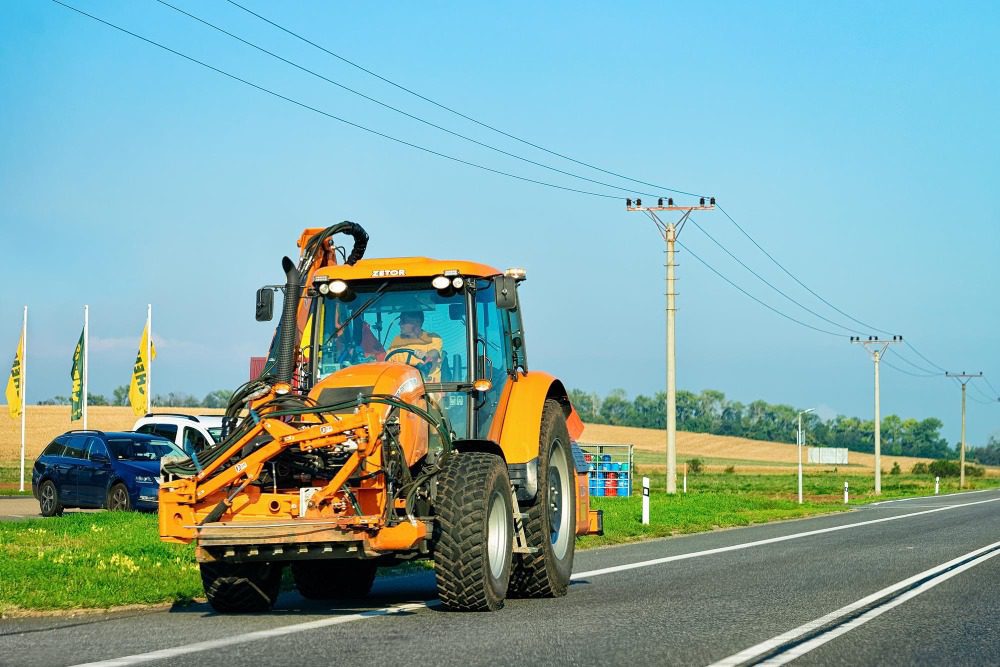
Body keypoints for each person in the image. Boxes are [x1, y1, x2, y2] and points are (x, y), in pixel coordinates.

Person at [386, 310, 443, 381]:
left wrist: (426, 355)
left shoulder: (433, 338)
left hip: (429, 388)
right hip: (402, 388)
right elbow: (387, 364)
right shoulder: (396, 340)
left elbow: (434, 354)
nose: (400, 324)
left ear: (417, 322)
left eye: (404, 321)